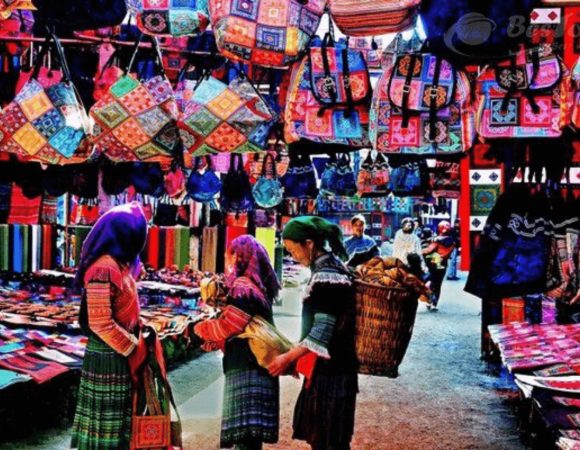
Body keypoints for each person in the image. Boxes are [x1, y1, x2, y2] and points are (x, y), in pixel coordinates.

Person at [269, 216, 358, 450]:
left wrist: (287, 358)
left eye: (293, 249)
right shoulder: (332, 267)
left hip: (332, 371)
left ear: (309, 244)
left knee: (328, 440)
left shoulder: (328, 275)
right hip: (333, 369)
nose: (292, 256)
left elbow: (322, 330)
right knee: (330, 440)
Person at [71, 203, 149, 450]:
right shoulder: (104, 268)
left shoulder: (116, 264)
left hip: (115, 356)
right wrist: (134, 348)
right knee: (108, 429)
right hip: (108, 357)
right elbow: (100, 322)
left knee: (115, 426)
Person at [194, 235, 280, 450]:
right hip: (256, 367)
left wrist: (200, 329)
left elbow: (230, 326)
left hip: (248, 368)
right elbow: (241, 326)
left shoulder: (243, 286)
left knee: (245, 439)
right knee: (250, 439)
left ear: (239, 257)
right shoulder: (257, 287)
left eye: (230, 254)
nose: (226, 258)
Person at [423, 220, 456, 311]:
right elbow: (448, 253)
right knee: (438, 284)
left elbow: (428, 250)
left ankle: (428, 300)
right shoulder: (452, 241)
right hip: (443, 263)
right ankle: (434, 303)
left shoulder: (436, 240)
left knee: (428, 280)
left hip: (433, 262)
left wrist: (420, 251)